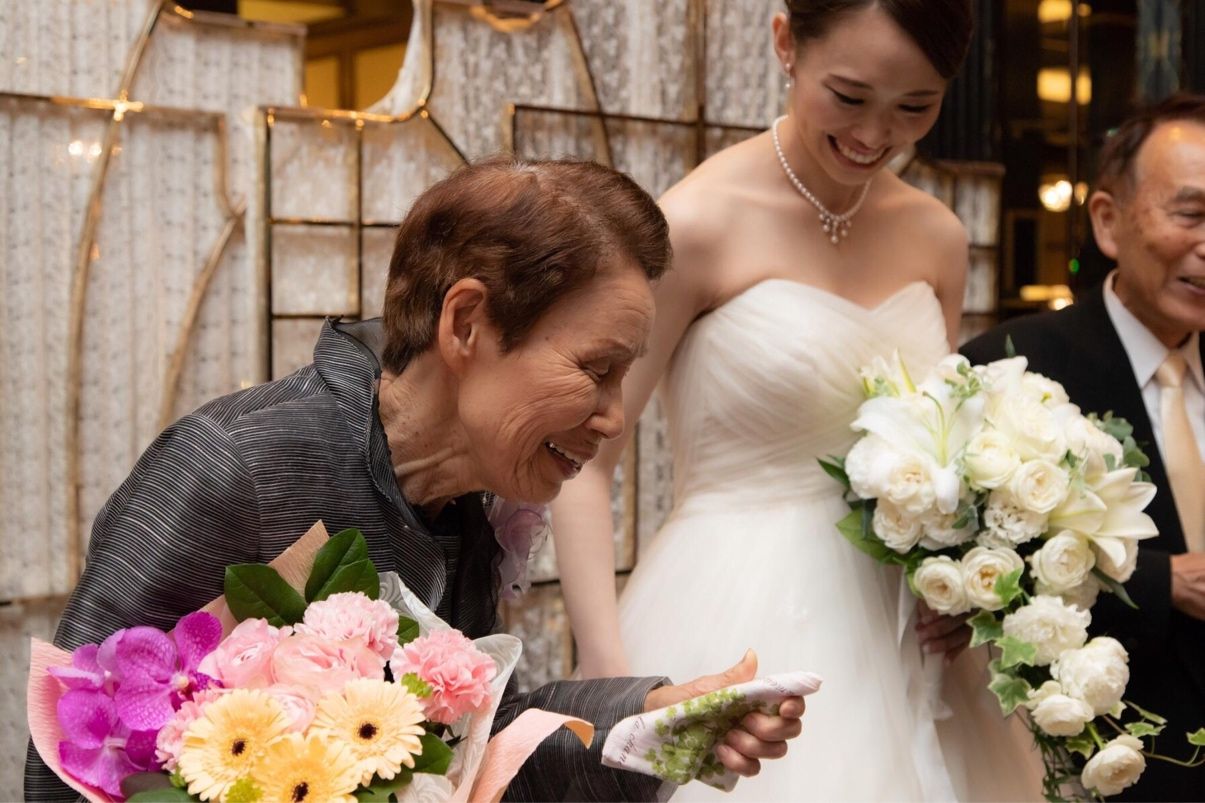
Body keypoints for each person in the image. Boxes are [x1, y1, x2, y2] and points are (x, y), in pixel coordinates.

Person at [25, 158, 806, 802]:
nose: (611, 418)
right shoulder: (233, 466)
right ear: (465, 323)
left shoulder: (471, 500)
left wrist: (649, 720)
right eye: (595, 369)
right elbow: (69, 759)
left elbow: (475, 745)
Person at [550, 1, 1047, 800]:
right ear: (785, 42)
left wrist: (964, 582)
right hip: (731, 610)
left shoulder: (938, 236)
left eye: (914, 106)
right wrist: (610, 673)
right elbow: (584, 461)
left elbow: (938, 438)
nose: (874, 135)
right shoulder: (696, 224)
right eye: (848, 97)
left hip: (914, 641)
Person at [962, 93, 1205, 802]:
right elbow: (979, 570)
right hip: (1109, 756)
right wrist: (1165, 581)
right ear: (1107, 220)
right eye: (1190, 213)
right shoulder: (1013, 371)